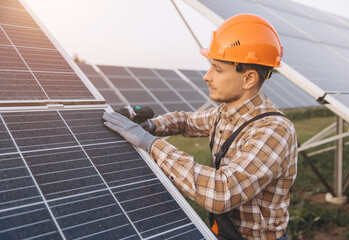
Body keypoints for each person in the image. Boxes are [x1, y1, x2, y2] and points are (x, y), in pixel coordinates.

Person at [103, 13, 297, 240]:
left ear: (249, 79)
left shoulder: (274, 130)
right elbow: (186, 121)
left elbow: (221, 192)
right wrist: (153, 125)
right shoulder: (226, 114)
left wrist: (152, 144)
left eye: (217, 69)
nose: (207, 76)